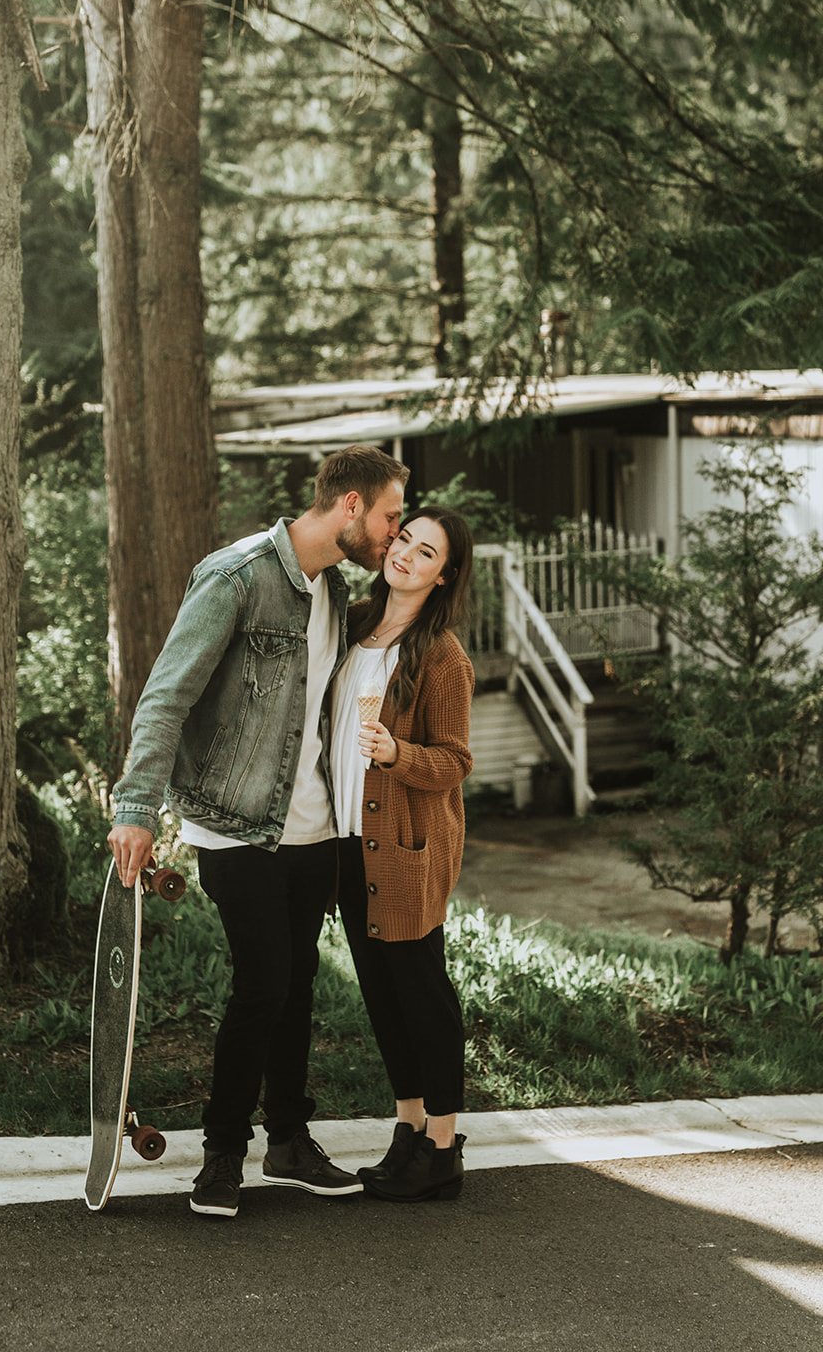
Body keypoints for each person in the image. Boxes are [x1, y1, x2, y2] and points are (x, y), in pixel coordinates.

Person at [107, 444, 409, 1219]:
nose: (391, 533)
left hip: (312, 825)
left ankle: (288, 1143)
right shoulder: (235, 576)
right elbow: (165, 697)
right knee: (262, 983)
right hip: (232, 821)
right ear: (348, 506)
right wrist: (136, 810)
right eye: (387, 516)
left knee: (297, 984)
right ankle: (220, 1155)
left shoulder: (336, 593)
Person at [330, 503, 475, 1202]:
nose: (406, 557)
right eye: (405, 540)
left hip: (408, 847)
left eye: (426, 554)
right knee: (383, 997)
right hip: (345, 843)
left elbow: (453, 762)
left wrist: (397, 753)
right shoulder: (354, 625)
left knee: (422, 995)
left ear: (443, 576)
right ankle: (408, 1130)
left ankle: (442, 1148)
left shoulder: (442, 656)